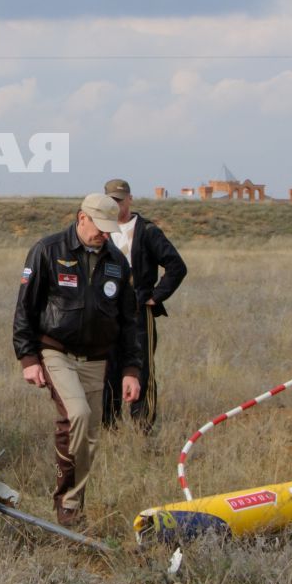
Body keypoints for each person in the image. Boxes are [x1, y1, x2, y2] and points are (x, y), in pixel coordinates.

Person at [13, 193, 145, 528]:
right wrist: (29, 358)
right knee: (79, 416)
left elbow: (130, 321)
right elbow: (25, 308)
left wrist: (132, 369)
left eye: (108, 229)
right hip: (55, 351)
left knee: (87, 434)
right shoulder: (48, 250)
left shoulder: (117, 262)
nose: (103, 234)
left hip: (97, 359)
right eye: (98, 227)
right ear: (80, 218)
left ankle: (73, 504)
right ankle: (67, 503)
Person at [100, 179, 188, 434]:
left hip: (139, 312)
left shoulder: (147, 231)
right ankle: (109, 426)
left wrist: (155, 296)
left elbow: (176, 266)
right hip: (107, 313)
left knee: (142, 368)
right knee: (108, 368)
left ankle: (143, 428)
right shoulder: (101, 230)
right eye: (111, 200)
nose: (116, 205)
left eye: (120, 200)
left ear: (129, 199)